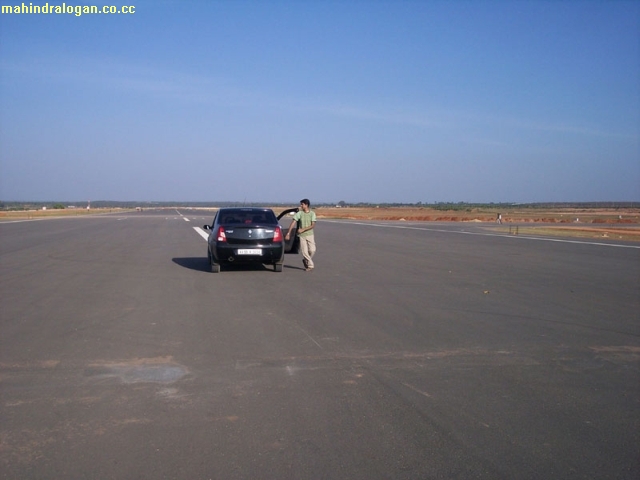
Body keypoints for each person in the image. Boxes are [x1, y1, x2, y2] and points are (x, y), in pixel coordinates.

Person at [285, 199, 316, 271]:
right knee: (305, 252)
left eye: (302, 204)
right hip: (301, 235)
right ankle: (310, 265)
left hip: (310, 234)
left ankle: (306, 260)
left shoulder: (312, 214)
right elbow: (293, 223)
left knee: (312, 250)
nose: (301, 206)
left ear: (306, 205)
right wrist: (288, 233)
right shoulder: (299, 214)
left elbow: (313, 225)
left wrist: (303, 229)